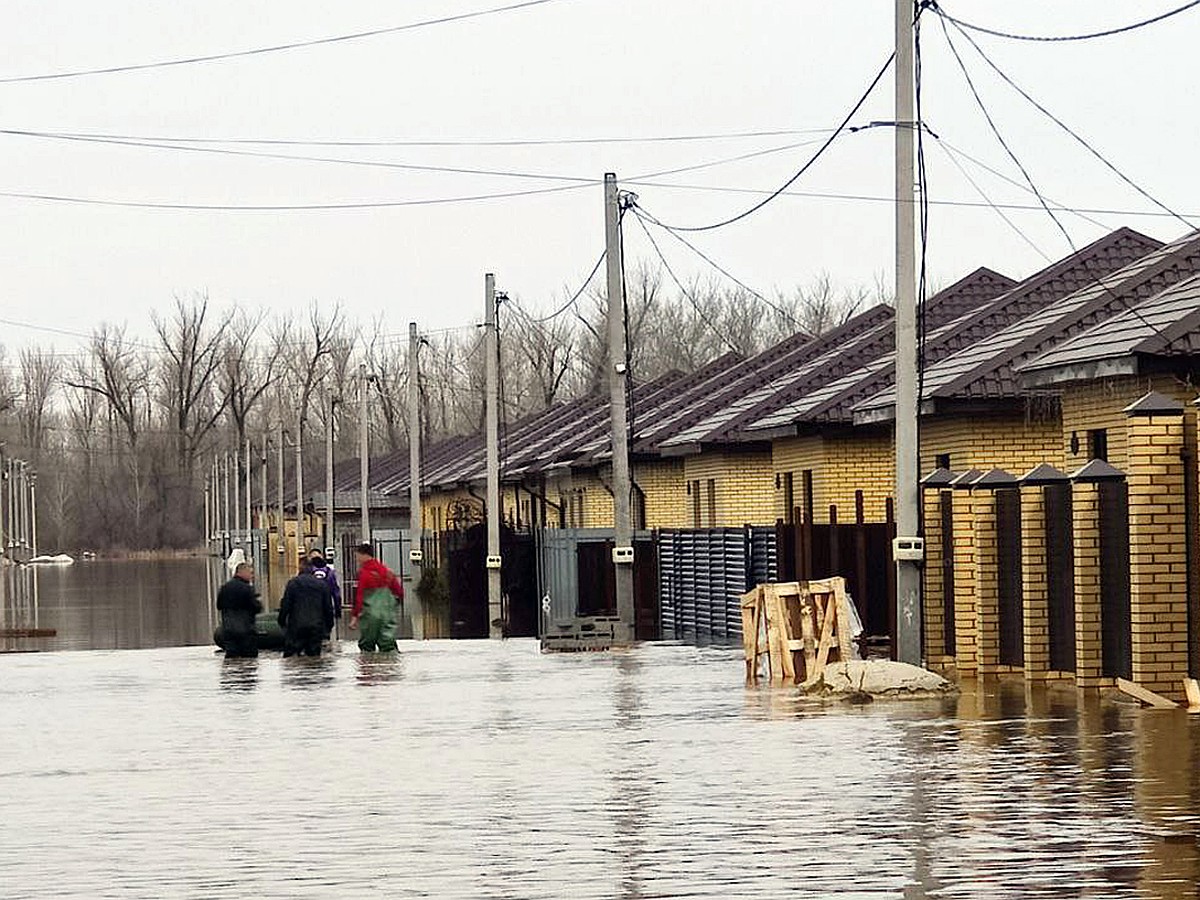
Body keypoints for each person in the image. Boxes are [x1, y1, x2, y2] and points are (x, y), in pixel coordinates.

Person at [350, 542, 403, 653]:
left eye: (357, 556)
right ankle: (390, 669)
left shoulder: (362, 574)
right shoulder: (387, 572)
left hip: (369, 617)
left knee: (367, 648)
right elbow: (399, 593)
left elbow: (358, 597)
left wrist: (354, 617)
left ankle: (369, 668)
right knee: (389, 647)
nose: (357, 559)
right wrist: (393, 608)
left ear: (363, 555)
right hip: (387, 616)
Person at [277, 564, 336, 657]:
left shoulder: (293, 583)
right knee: (314, 658)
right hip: (316, 627)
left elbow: (286, 604)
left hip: (296, 626)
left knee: (291, 658)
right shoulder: (322, 584)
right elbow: (328, 607)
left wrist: (281, 621)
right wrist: (329, 626)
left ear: (299, 571)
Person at [215, 562, 262, 658]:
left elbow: (219, 606)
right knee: (250, 658)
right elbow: (255, 607)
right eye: (250, 573)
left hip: (228, 629)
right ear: (242, 572)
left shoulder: (225, 588)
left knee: (231, 657)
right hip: (245, 630)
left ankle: (233, 672)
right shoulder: (247, 589)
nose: (251, 576)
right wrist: (259, 603)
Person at [306, 549, 343, 621]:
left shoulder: (306, 572)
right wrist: (338, 610)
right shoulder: (329, 572)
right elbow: (336, 593)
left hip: (309, 609)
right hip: (326, 607)